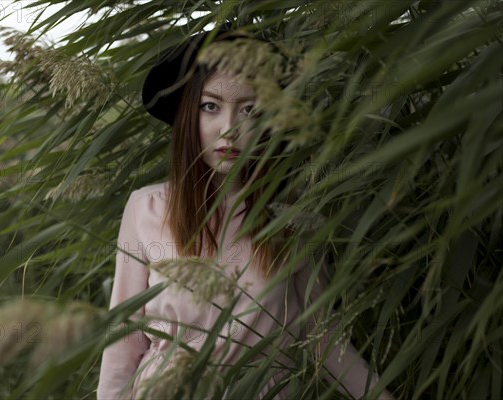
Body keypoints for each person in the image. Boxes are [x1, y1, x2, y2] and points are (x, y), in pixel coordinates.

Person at [96, 25, 395, 400]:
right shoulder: (147, 208)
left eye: (249, 110)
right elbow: (122, 345)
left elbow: (322, 340)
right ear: (188, 115)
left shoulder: (292, 221)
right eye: (211, 106)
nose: (230, 130)